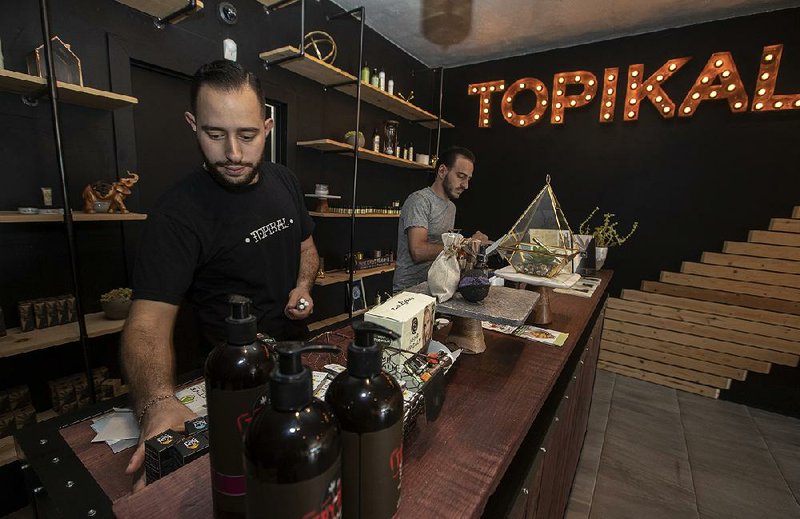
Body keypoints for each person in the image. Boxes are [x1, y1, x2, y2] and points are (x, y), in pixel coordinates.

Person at [121, 60, 318, 491]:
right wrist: (157, 403)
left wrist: (303, 285)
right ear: (192, 124)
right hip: (229, 382)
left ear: (267, 127)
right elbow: (147, 323)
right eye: (215, 134)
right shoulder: (177, 213)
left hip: (292, 358)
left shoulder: (284, 181)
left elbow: (306, 247)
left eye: (247, 135)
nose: (232, 152)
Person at [392, 146, 488, 292]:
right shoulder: (420, 200)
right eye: (461, 176)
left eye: (468, 179)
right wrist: (466, 245)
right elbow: (418, 251)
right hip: (410, 291)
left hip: (436, 287)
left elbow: (445, 252)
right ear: (442, 171)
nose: (466, 185)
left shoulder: (451, 208)